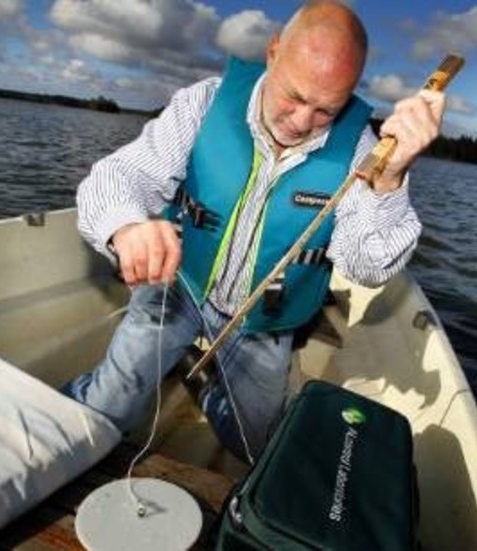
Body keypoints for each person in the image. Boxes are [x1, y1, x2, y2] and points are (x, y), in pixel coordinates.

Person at [65, 0, 446, 462]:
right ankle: (64, 422)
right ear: (272, 52)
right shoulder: (204, 102)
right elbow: (118, 178)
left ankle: (205, 384)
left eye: (327, 110)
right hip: (179, 287)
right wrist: (126, 227)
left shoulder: (364, 151)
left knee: (253, 444)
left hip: (264, 320)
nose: (302, 123)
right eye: (296, 97)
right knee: (109, 406)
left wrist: (390, 178)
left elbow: (364, 267)